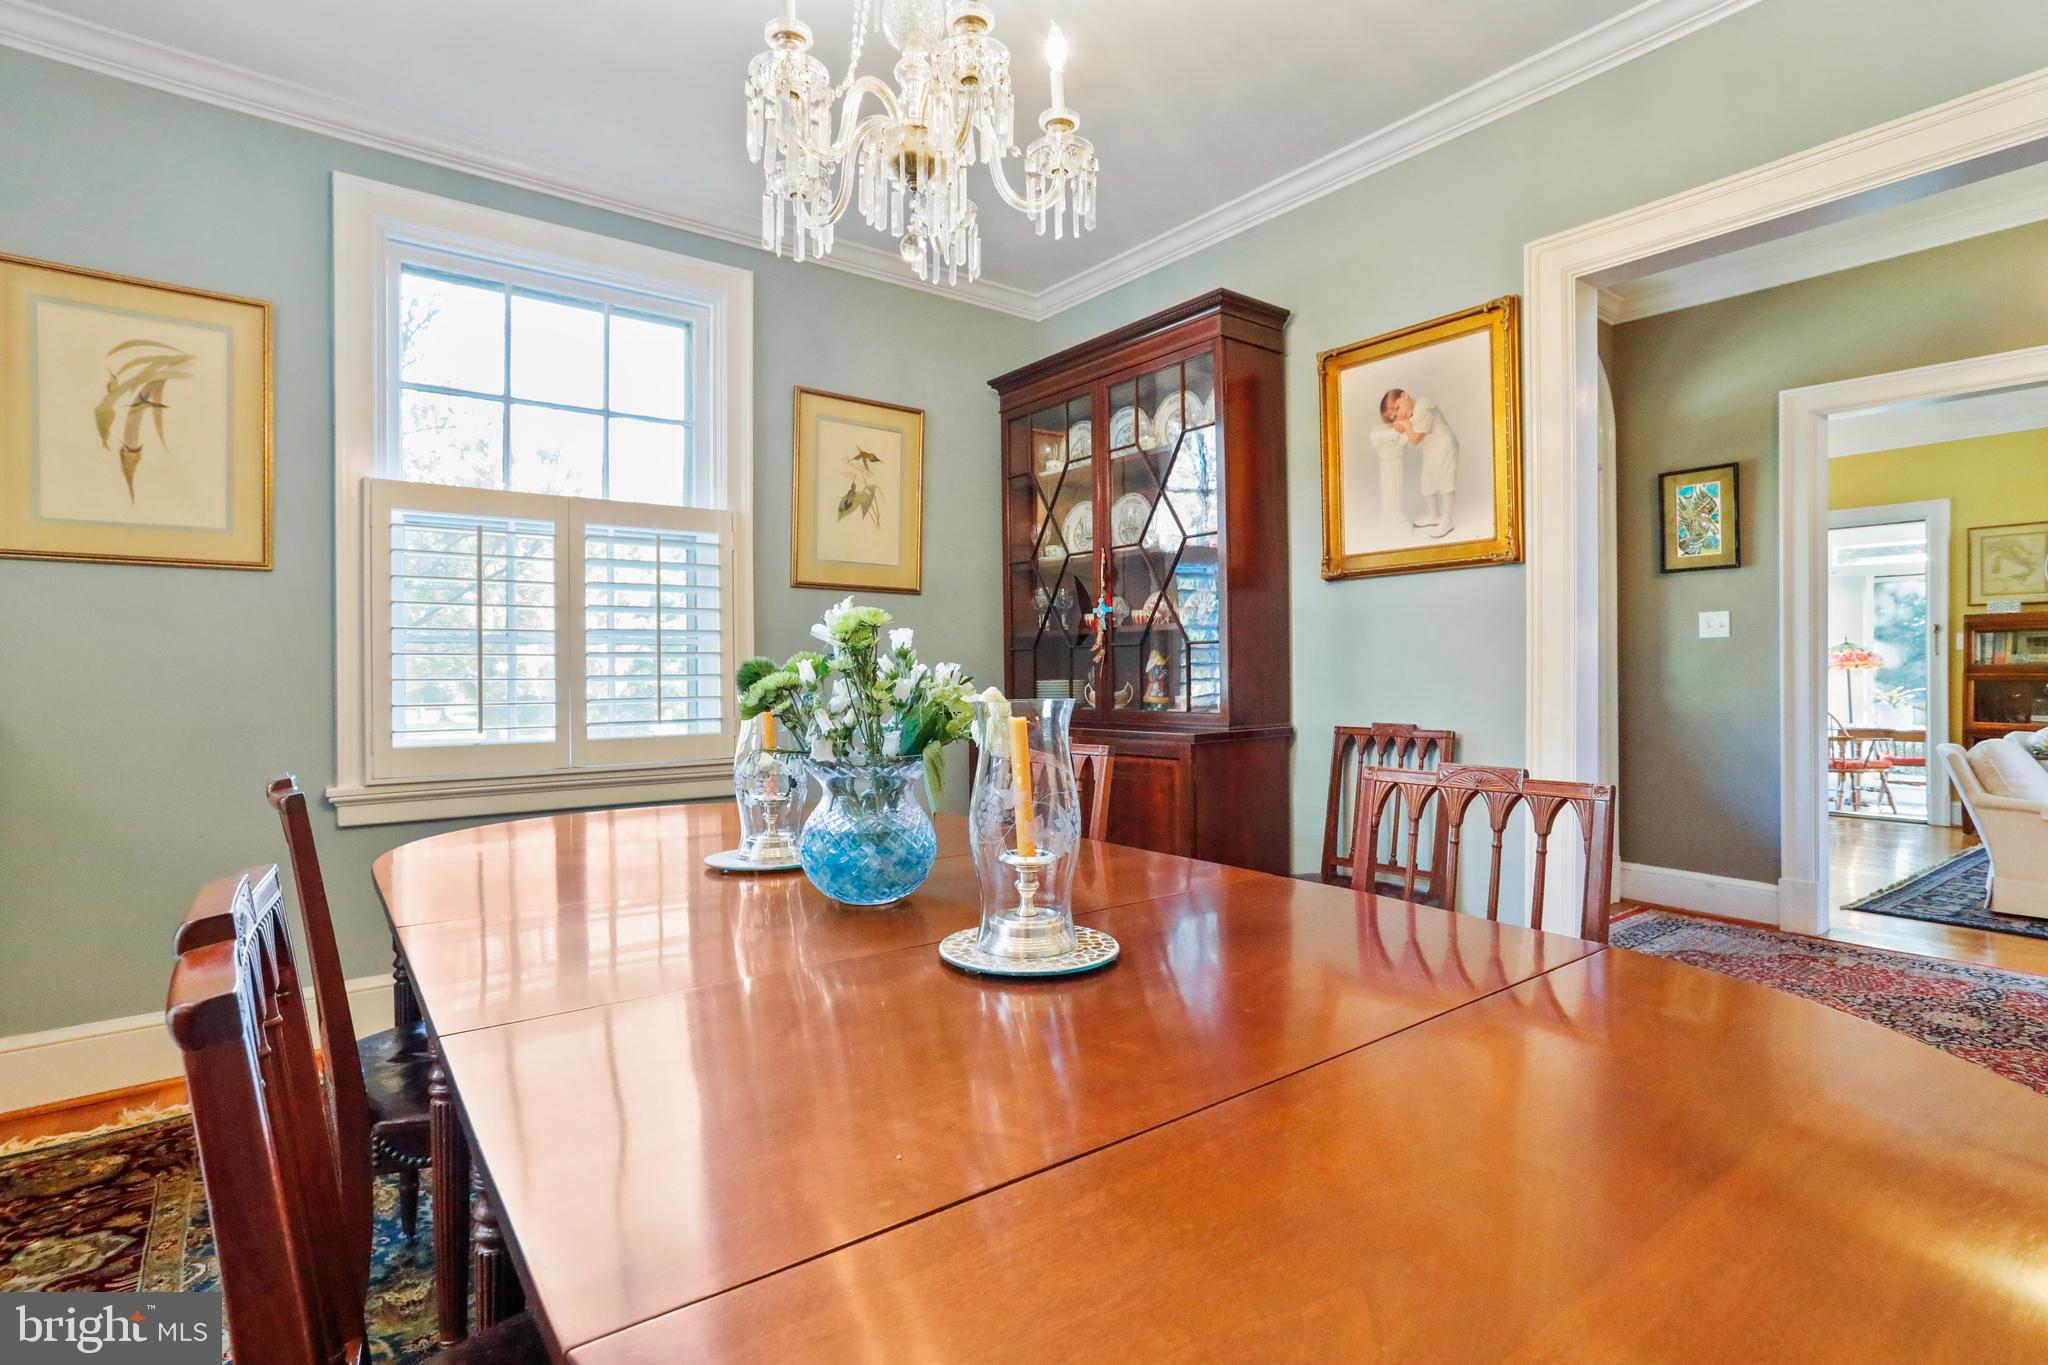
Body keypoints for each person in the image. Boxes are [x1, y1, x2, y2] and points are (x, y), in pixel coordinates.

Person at [1376, 388, 1458, 538]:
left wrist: (1405, 424)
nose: (1399, 415)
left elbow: (1415, 439)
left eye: (1398, 408)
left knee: (1446, 484)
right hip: (1431, 450)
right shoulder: (1412, 413)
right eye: (1395, 416)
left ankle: (1448, 520)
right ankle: (1435, 515)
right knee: (1427, 482)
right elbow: (1406, 425)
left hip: (1444, 447)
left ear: (1404, 395)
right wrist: (1399, 423)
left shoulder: (1424, 407)